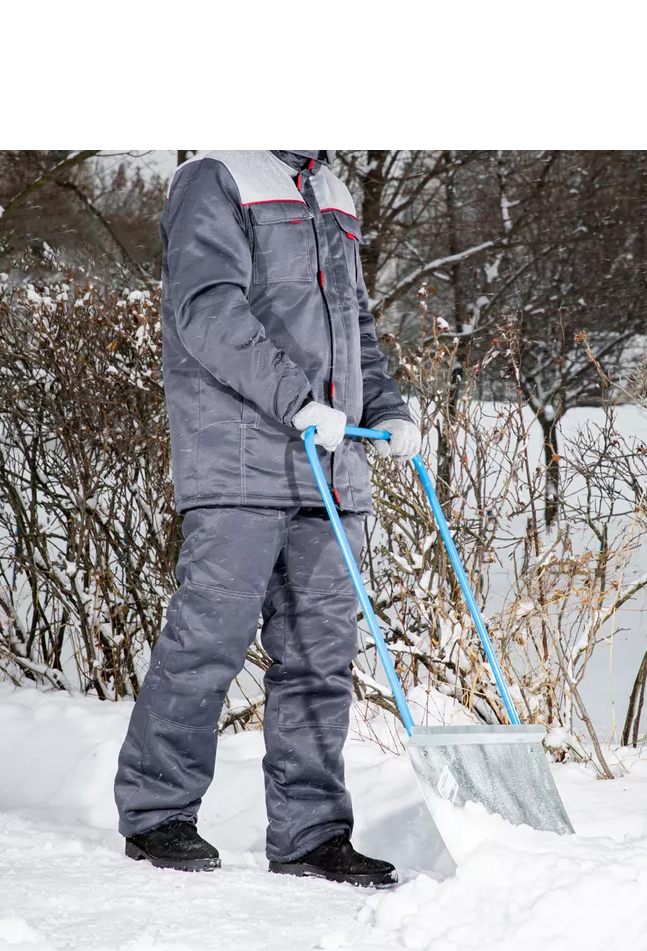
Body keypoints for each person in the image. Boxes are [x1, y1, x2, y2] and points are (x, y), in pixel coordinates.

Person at [113, 145, 419, 887]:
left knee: (322, 660)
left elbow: (356, 328)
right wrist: (296, 400)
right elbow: (206, 309)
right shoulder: (217, 176)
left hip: (332, 469)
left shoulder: (335, 189)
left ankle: (312, 833)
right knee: (207, 643)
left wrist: (386, 406)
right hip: (241, 463)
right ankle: (158, 814)